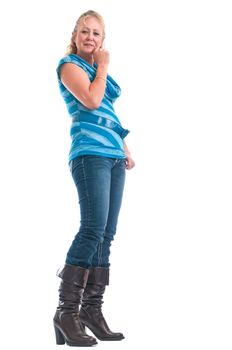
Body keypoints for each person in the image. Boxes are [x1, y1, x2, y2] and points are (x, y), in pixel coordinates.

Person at [53, 10, 135, 347]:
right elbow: (91, 99)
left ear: (102, 40)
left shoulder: (95, 71)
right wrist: (102, 66)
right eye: (85, 32)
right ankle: (65, 312)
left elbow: (107, 114)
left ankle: (91, 310)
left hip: (113, 155)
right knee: (91, 228)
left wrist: (124, 146)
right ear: (76, 36)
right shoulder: (70, 66)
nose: (90, 37)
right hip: (89, 155)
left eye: (96, 34)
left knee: (106, 234)